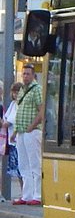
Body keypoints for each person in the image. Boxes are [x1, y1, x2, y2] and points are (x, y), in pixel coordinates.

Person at [13, 63, 45, 206]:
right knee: (23, 164)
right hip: (21, 131)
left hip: (32, 131)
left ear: (33, 75)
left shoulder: (36, 89)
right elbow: (19, 111)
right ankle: (27, 195)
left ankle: (37, 195)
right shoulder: (22, 90)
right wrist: (15, 132)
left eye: (28, 74)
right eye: (23, 73)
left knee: (35, 163)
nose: (25, 76)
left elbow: (41, 110)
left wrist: (32, 126)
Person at [2, 81, 20, 201]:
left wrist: (4, 123)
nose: (15, 94)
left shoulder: (19, 105)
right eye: (14, 92)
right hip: (12, 141)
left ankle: (25, 193)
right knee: (16, 170)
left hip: (17, 140)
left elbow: (9, 121)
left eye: (17, 92)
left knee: (20, 170)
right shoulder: (13, 104)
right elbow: (6, 119)